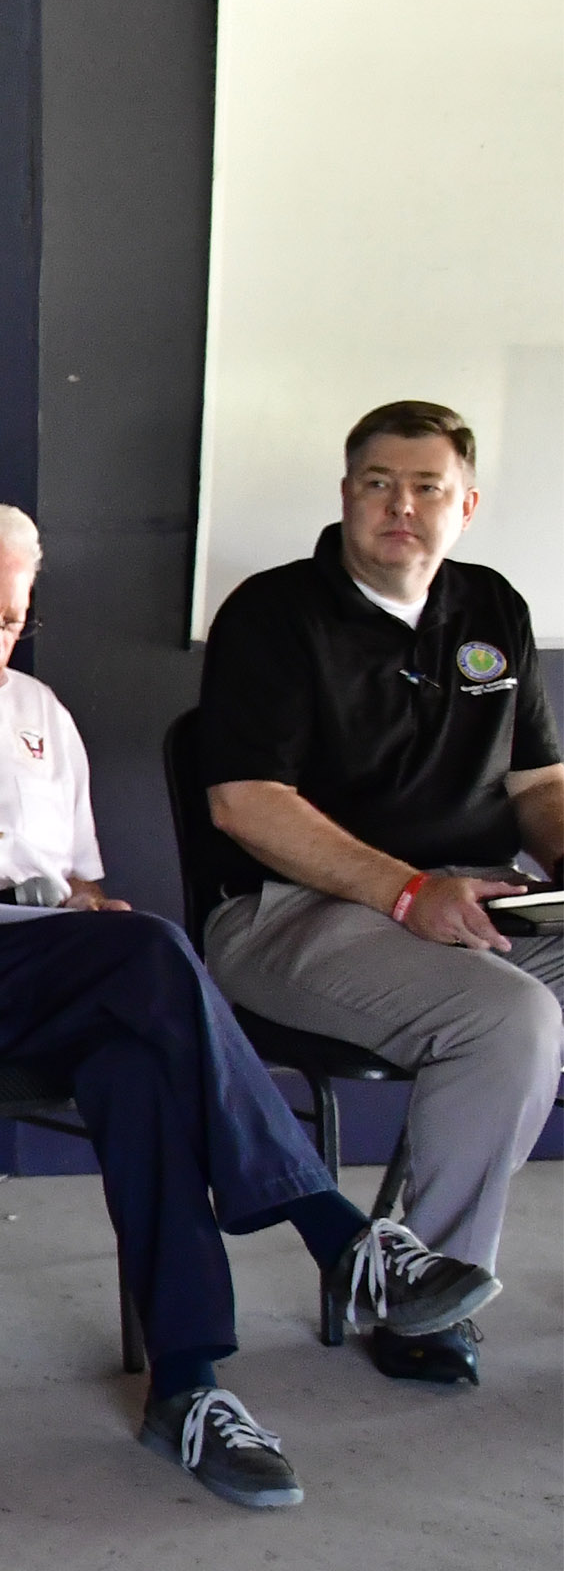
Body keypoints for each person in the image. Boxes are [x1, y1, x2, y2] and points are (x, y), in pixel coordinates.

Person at [0, 499, 496, 1510]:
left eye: (13, 621)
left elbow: (74, 883)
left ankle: (186, 1387)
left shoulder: (37, 715)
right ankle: (339, 1236)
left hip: (31, 960)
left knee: (137, 1060)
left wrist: (76, 902)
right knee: (146, 956)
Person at [197, 401, 562, 1388]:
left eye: (425, 487)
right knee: (508, 1023)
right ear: (345, 495)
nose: (398, 506)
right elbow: (244, 806)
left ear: (466, 504)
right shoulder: (271, 616)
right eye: (375, 484)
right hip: (291, 914)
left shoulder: (492, 608)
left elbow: (537, 786)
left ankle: (418, 1272)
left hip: (479, 904)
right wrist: (406, 893)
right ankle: (415, 1293)